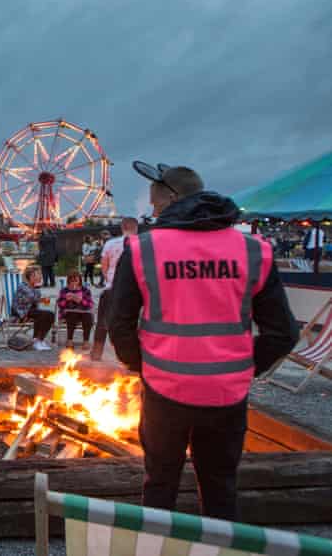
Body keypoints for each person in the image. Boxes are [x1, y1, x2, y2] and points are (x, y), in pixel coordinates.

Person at [109, 163, 298, 521]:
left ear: (173, 199)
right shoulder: (253, 251)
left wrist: (143, 364)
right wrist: (241, 367)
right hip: (227, 394)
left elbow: (118, 324)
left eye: (155, 207)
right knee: (220, 487)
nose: (153, 214)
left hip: (165, 390)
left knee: (160, 484)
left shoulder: (142, 251)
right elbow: (284, 333)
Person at [90, 218, 138, 360]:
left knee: (102, 322)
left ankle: (97, 353)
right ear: (136, 228)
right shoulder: (141, 243)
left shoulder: (110, 244)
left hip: (112, 287)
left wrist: (109, 278)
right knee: (130, 323)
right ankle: (129, 356)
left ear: (122, 227)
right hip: (133, 290)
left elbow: (104, 265)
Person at [11, 265, 55, 351]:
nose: (40, 277)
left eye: (40, 275)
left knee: (50, 315)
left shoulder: (35, 287)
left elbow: (37, 299)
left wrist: (41, 297)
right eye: (38, 275)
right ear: (31, 276)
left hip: (30, 311)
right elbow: (33, 298)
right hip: (20, 312)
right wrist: (42, 299)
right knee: (42, 315)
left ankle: (40, 340)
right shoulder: (23, 286)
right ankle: (36, 341)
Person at [57, 270, 94, 351]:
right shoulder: (64, 290)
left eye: (76, 281)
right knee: (72, 314)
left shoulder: (85, 290)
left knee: (88, 316)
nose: (74, 283)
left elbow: (90, 304)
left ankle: (86, 341)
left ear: (80, 281)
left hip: (83, 312)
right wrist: (66, 300)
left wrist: (81, 300)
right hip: (69, 313)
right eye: (71, 281)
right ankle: (69, 340)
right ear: (68, 281)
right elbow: (59, 304)